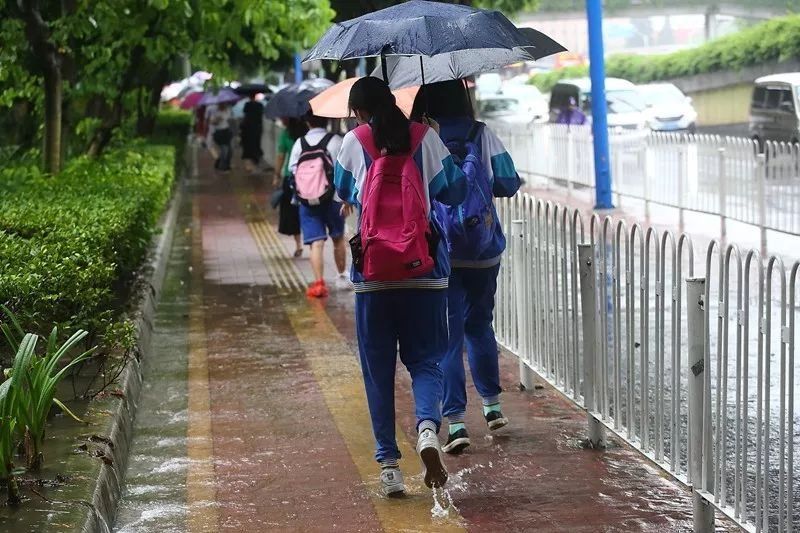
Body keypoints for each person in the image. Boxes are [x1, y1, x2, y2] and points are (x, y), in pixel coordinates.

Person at [334, 76, 466, 497]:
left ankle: (389, 466)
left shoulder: (353, 142)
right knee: (427, 361)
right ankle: (428, 428)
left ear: (358, 111)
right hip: (424, 269)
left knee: (378, 372)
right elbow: (456, 192)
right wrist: (435, 140)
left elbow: (341, 190)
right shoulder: (425, 137)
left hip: (373, 275)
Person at [411, 80, 521, 455]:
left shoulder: (424, 136)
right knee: (480, 325)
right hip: (484, 247)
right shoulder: (481, 132)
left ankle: (456, 421)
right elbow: (507, 182)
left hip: (441, 251)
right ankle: (492, 406)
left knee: (448, 336)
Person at [288, 113, 348, 297]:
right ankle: (341, 277)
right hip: (333, 199)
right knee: (338, 238)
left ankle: (319, 283)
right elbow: (345, 168)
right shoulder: (336, 140)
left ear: (307, 122)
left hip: (306, 199)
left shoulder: (300, 143)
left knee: (316, 242)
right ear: (327, 120)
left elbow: (292, 169)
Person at [274, 117, 307, 257]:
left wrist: (276, 175)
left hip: (291, 177)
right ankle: (313, 241)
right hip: (310, 177)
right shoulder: (307, 132)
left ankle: (299, 244)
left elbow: (281, 156)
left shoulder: (286, 134)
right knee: (308, 209)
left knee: (292, 211)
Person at [240, 94, 264, 172]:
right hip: (257, 128)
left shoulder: (247, 105)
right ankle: (256, 160)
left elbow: (245, 115)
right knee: (256, 144)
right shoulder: (260, 105)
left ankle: (250, 164)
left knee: (248, 145)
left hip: (248, 129)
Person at [208, 102, 233, 171]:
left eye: (224, 104)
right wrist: (217, 119)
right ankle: (222, 167)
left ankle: (226, 165)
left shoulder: (228, 110)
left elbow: (230, 120)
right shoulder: (215, 111)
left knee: (230, 151)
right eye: (221, 104)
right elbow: (212, 122)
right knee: (224, 150)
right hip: (219, 132)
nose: (223, 105)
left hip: (227, 132)